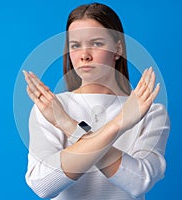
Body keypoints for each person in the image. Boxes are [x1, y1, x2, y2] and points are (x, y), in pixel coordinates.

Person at [23, 3, 170, 200]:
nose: (84, 55)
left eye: (97, 43)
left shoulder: (150, 112)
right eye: (75, 45)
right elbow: (43, 185)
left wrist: (69, 126)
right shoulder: (50, 108)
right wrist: (118, 124)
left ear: (117, 49)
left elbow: (139, 181)